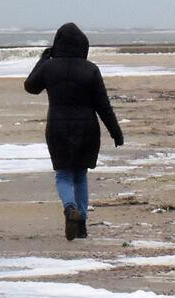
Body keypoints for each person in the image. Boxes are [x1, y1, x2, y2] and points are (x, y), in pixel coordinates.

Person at [23, 22, 124, 240]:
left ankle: (70, 209)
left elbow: (30, 86)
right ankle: (82, 223)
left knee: (63, 174)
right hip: (87, 127)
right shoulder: (90, 69)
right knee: (80, 174)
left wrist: (43, 59)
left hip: (58, 127)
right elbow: (103, 105)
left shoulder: (49, 68)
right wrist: (115, 131)